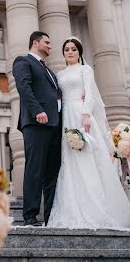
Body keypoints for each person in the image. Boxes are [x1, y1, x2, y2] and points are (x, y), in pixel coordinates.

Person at [48, 37, 130, 229]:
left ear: (79, 52)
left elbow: (90, 94)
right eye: (67, 49)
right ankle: (73, 204)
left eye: (74, 49)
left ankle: (97, 206)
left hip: (81, 114)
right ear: (63, 52)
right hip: (66, 118)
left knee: (87, 157)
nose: (70, 52)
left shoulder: (85, 70)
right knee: (70, 161)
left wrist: (86, 115)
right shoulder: (59, 75)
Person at [12, 31, 62, 226]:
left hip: (55, 125)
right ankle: (30, 216)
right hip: (36, 123)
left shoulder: (49, 70)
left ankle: (50, 216)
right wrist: (37, 111)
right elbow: (24, 88)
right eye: (47, 42)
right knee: (35, 169)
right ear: (35, 42)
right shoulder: (23, 61)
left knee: (52, 172)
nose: (50, 46)